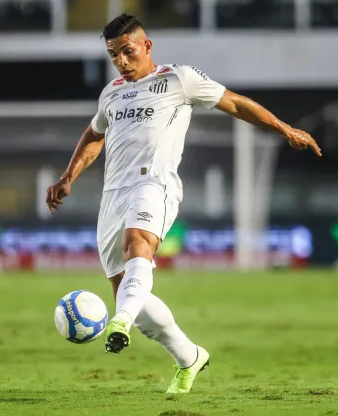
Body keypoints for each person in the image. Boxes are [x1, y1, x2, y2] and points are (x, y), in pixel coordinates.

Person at [45, 14, 322, 394]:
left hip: (155, 183)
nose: (122, 62)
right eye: (114, 56)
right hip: (113, 195)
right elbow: (94, 135)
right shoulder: (111, 93)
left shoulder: (178, 79)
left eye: (127, 52)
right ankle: (189, 357)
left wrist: (284, 129)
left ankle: (118, 322)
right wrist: (67, 177)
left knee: (137, 245)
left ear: (147, 46)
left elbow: (236, 103)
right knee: (132, 293)